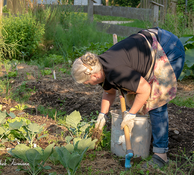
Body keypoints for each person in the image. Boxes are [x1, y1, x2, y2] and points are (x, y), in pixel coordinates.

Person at [71, 27, 185, 168]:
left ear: (93, 75)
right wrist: (102, 115)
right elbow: (109, 92)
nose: (87, 84)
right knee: (137, 99)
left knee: (155, 102)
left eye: (86, 82)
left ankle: (161, 156)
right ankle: (148, 139)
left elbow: (144, 90)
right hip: (151, 43)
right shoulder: (101, 68)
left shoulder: (115, 72)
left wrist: (131, 115)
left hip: (168, 48)